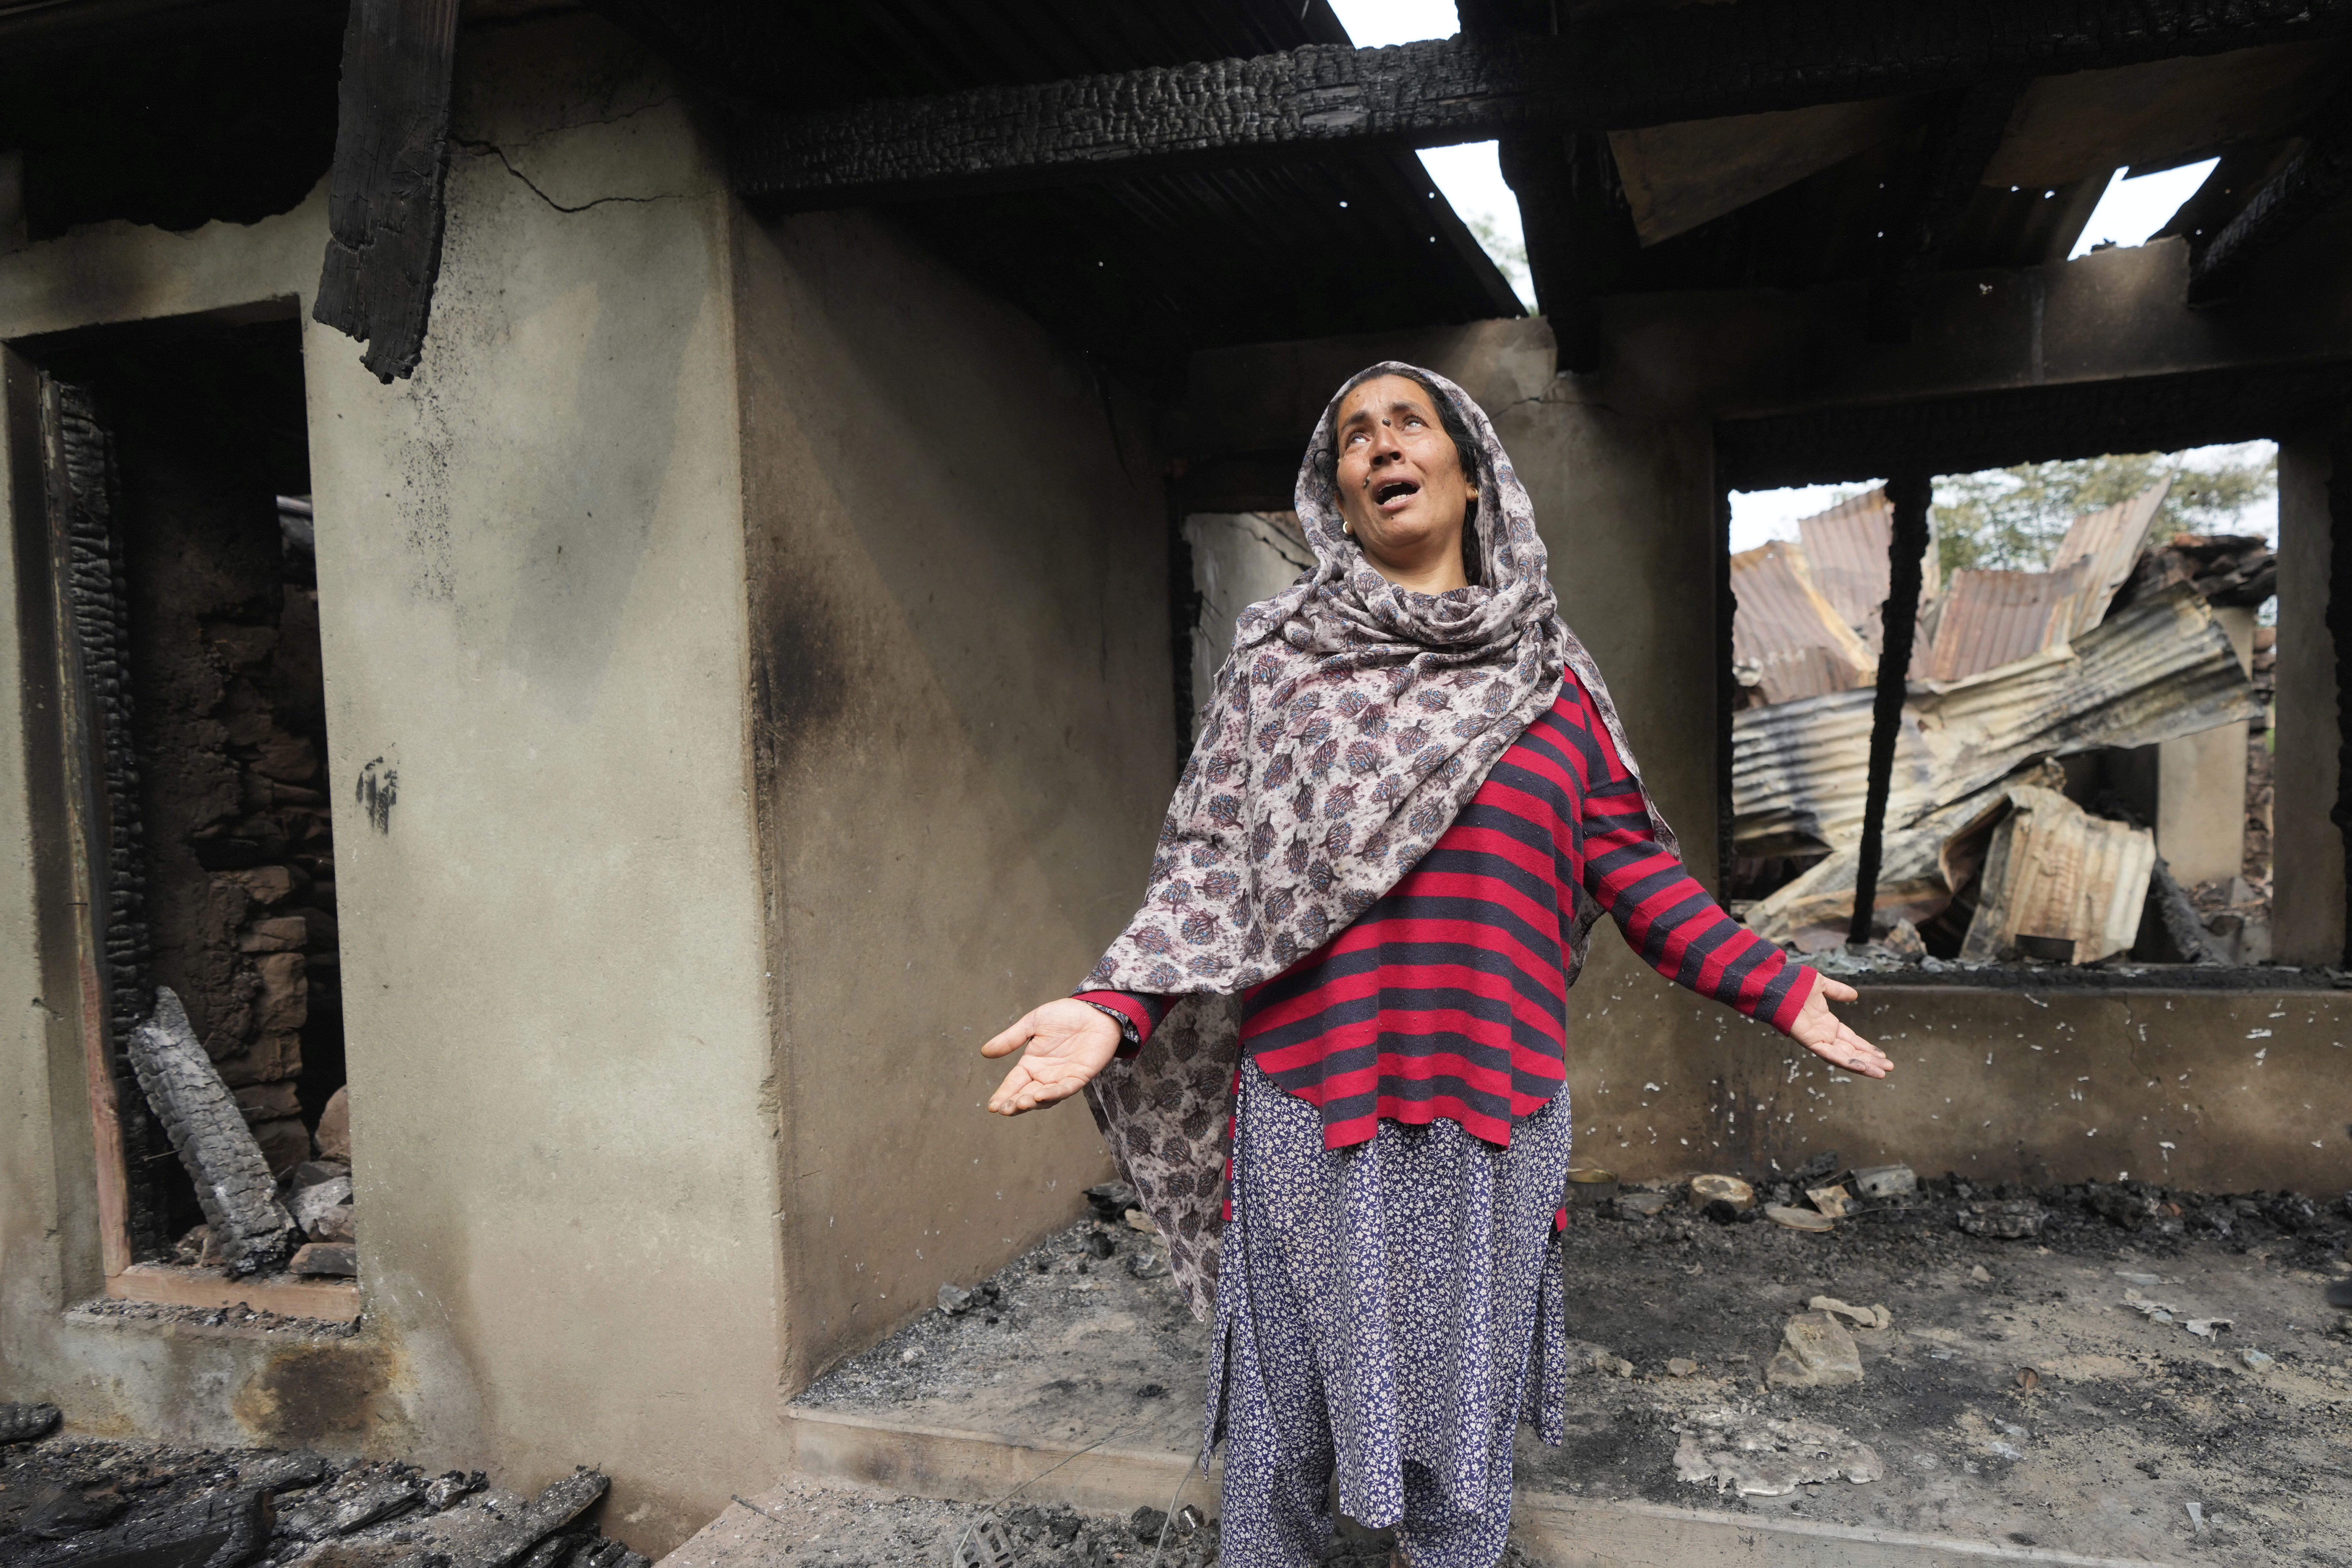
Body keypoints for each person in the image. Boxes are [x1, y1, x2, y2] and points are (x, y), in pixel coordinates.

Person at [981, 363, 1891, 1568]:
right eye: (1355, 436)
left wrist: (1771, 981)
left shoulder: (1552, 679)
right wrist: (1116, 1004)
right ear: (1338, 494)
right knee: (1283, 1435)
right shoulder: (1280, 664)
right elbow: (1210, 864)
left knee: (1461, 1440)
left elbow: (1639, 873)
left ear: (1473, 476)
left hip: (1492, 1119)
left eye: (1409, 423)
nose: (1381, 446)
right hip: (1312, 1109)